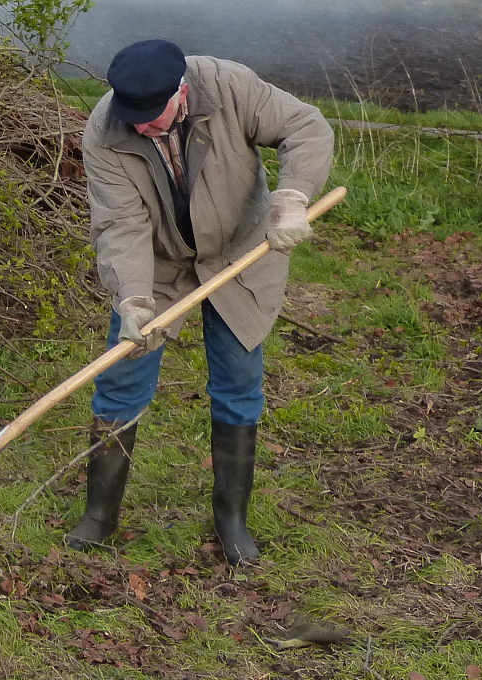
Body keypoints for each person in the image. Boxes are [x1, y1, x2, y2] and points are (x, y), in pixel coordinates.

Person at [65, 38, 333, 565]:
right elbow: (121, 224)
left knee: (237, 380)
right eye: (132, 116)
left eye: (151, 115)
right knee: (122, 375)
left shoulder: (230, 86)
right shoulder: (104, 130)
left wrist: (294, 195)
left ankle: (231, 520)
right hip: (159, 264)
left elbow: (307, 127)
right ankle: (100, 515)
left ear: (181, 90)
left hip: (242, 251)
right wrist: (135, 297)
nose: (141, 125)